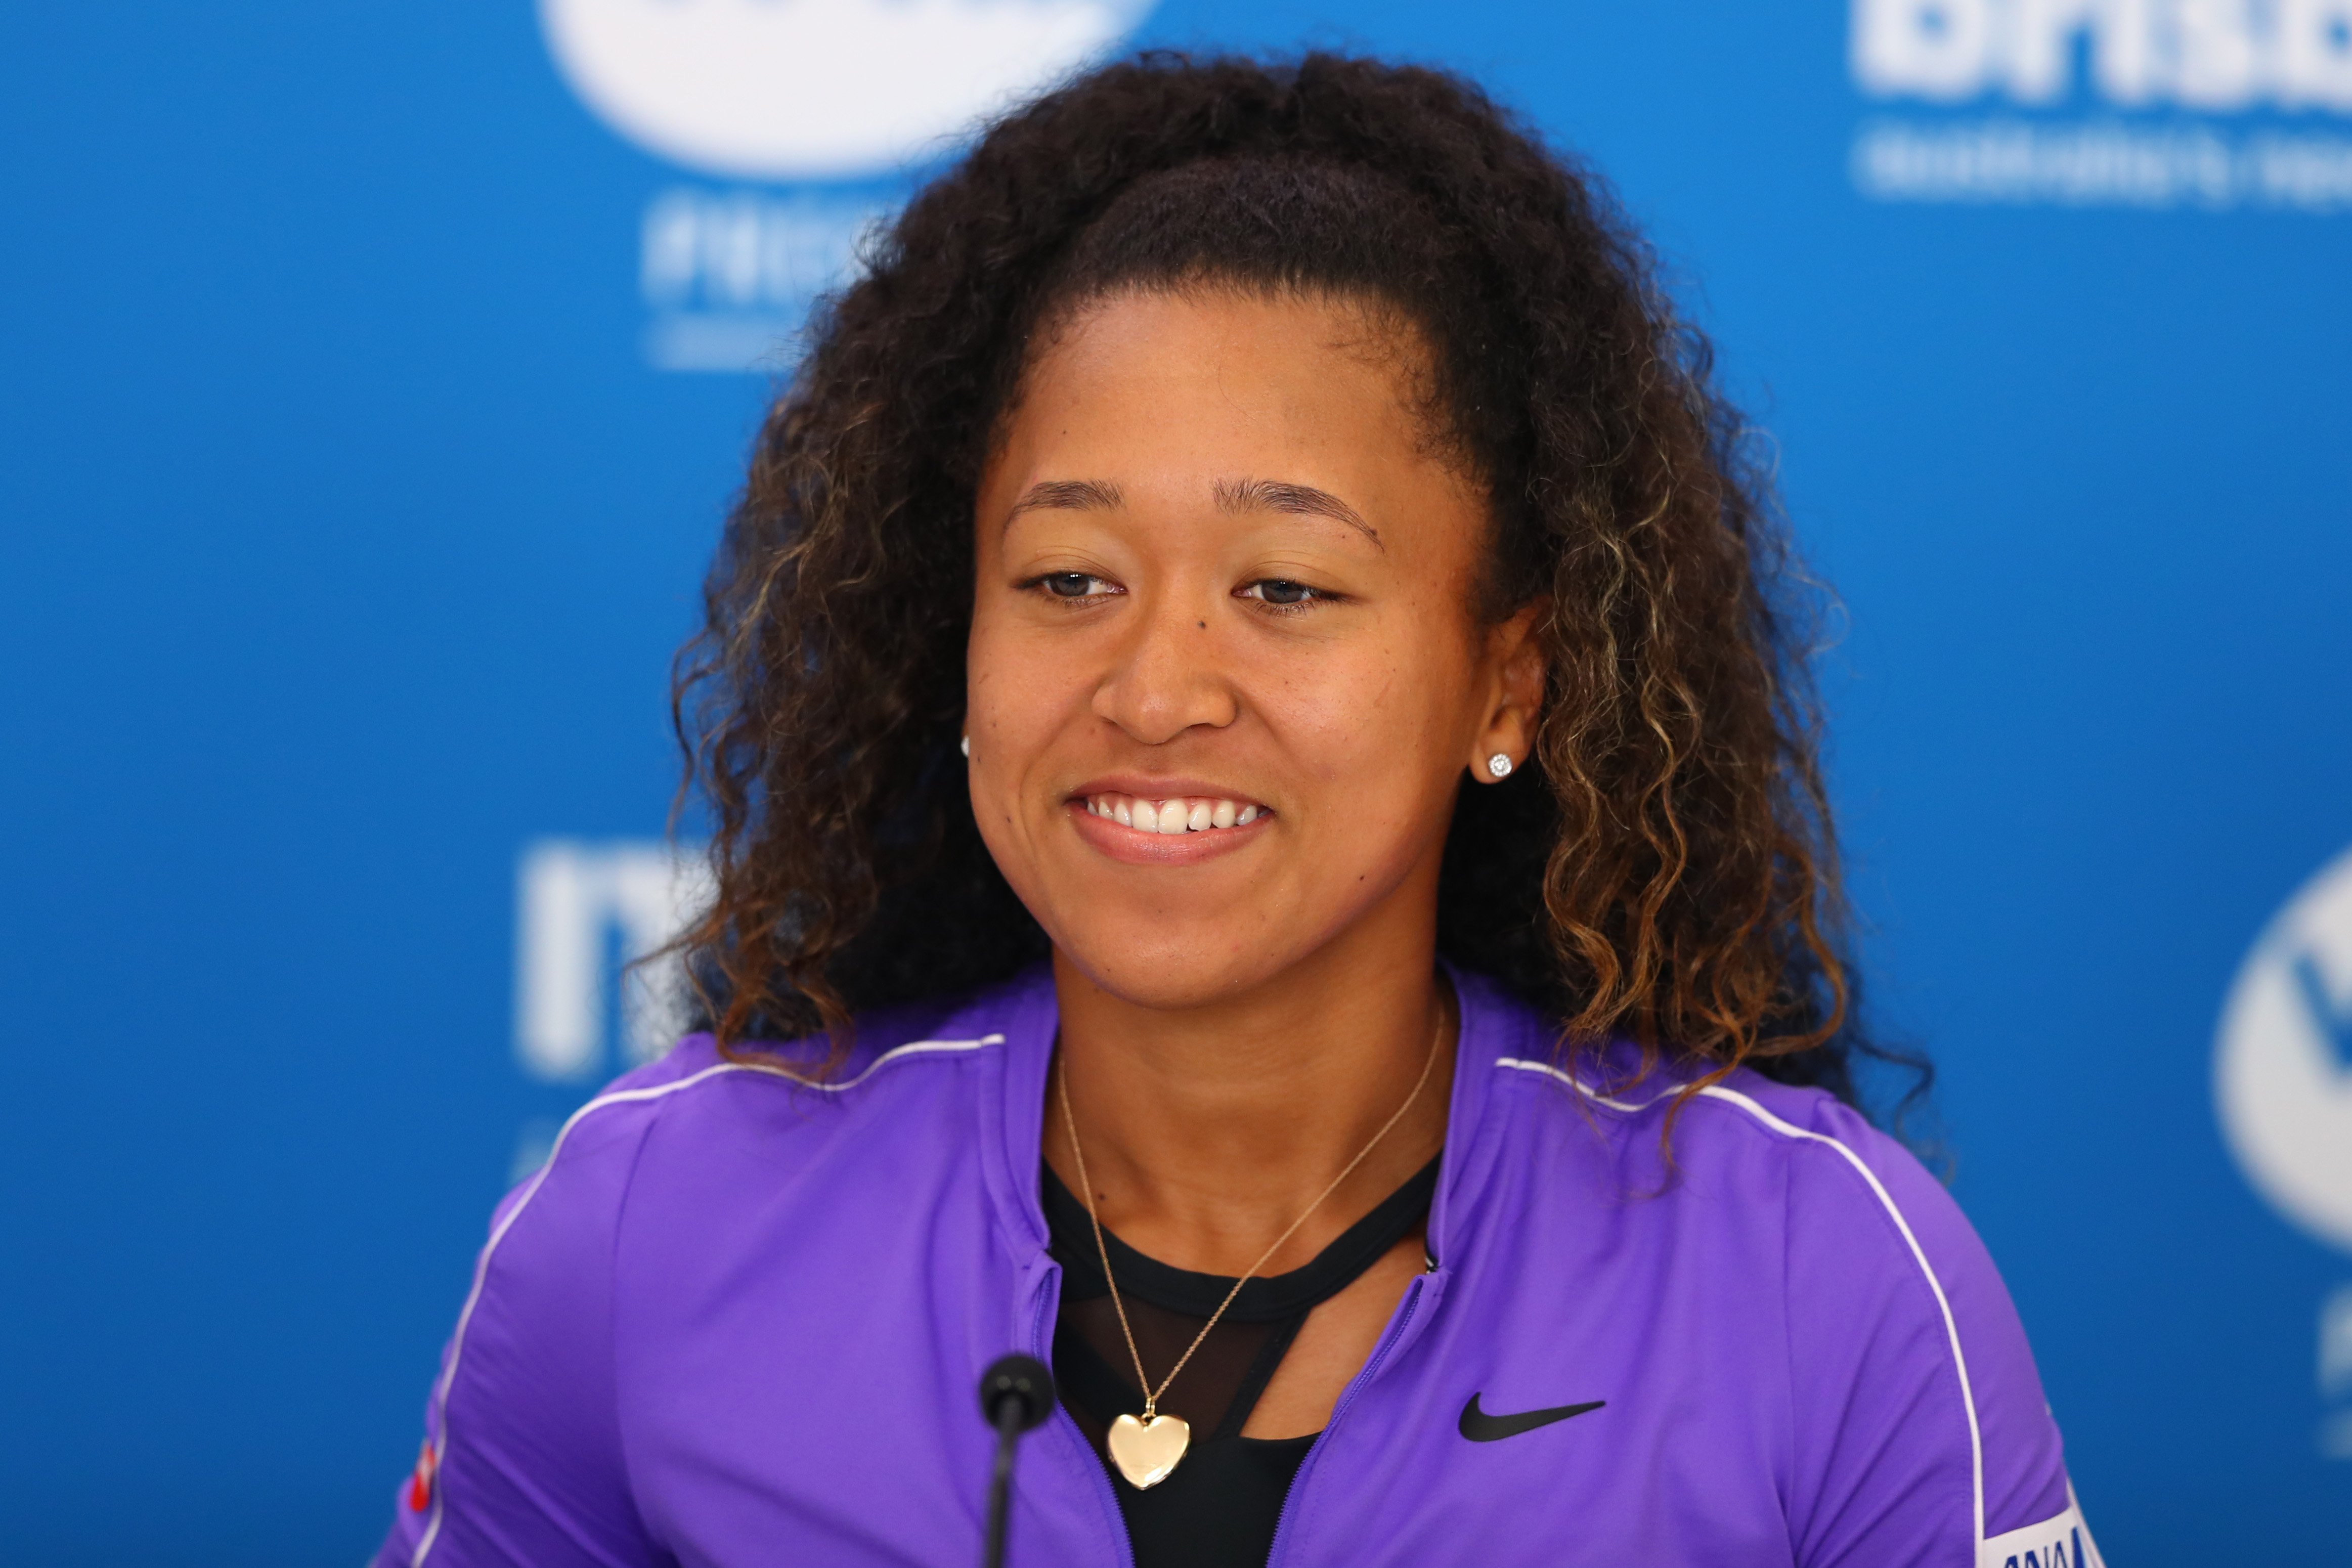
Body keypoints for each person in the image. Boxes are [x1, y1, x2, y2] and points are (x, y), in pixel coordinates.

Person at [376, 52, 2098, 1568]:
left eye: (1282, 588)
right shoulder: (651, 1222)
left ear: (1510, 683)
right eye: (1065, 576)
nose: (1152, 686)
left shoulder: (1823, 1279)